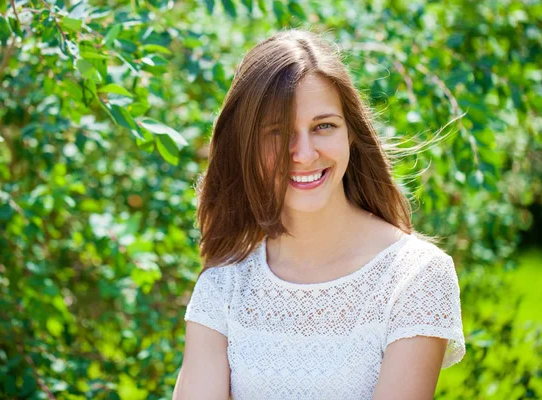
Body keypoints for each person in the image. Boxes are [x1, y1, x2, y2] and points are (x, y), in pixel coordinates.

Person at [173, 28, 466, 400]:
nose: (304, 153)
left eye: (323, 126)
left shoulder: (415, 277)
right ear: (246, 145)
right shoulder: (224, 287)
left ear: (351, 134)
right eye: (277, 133)